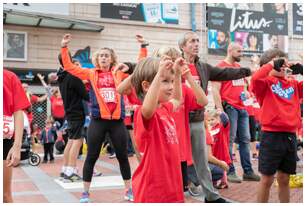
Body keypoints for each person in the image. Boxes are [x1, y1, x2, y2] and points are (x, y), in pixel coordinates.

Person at [178, 31, 251, 203]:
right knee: (174, 159)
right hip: (177, 120)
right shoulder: (175, 64)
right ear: (182, 46)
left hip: (196, 120)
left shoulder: (203, 67)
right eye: (192, 41)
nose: (196, 44)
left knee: (202, 161)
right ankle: (174, 193)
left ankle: (211, 196)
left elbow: (225, 73)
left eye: (197, 41)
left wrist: (247, 71)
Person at [60, 33, 133, 203]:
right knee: (91, 156)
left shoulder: (119, 74)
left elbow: (138, 73)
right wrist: (64, 47)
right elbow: (70, 67)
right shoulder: (91, 73)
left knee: (123, 156)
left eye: (107, 55)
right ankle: (85, 192)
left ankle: (129, 190)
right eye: (101, 56)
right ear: (97, 59)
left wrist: (143, 48)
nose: (104, 58)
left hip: (117, 123)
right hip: (98, 122)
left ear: (112, 58)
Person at [131, 56, 185, 202]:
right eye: (165, 81)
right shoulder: (144, 112)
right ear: (147, 86)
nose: (171, 86)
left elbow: (178, 100)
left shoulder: (165, 108)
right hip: (153, 189)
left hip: (172, 185)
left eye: (171, 81)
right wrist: (159, 74)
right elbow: (148, 110)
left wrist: (178, 75)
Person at [251, 49, 303, 202]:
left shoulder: (293, 83)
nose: (283, 65)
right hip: (271, 135)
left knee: (285, 178)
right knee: (267, 179)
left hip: (289, 136)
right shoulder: (264, 83)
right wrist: (271, 64)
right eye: (279, 62)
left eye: (284, 61)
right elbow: (255, 78)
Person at [212, 43, 260, 183]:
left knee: (245, 139)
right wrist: (220, 110)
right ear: (230, 50)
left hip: (242, 108)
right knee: (229, 140)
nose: (241, 53)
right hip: (230, 108)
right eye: (239, 51)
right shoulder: (220, 66)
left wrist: (245, 93)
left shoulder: (239, 68)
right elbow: (215, 89)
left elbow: (244, 86)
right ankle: (230, 171)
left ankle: (248, 171)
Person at [57, 55, 90, 182]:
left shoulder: (62, 76)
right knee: (77, 142)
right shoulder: (73, 77)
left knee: (70, 141)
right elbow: (86, 96)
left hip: (69, 113)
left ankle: (65, 170)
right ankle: (70, 172)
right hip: (77, 113)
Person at [3, 69, 31, 202]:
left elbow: (18, 111)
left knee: (4, 195)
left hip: (4, 140)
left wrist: (17, 145)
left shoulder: (10, 77)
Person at [205, 109, 231, 189]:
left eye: (213, 119)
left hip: (222, 151)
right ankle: (214, 182)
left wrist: (221, 113)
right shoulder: (210, 130)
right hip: (214, 152)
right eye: (209, 120)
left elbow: (226, 121)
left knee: (222, 167)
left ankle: (224, 182)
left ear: (218, 119)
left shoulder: (222, 127)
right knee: (214, 166)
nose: (211, 122)